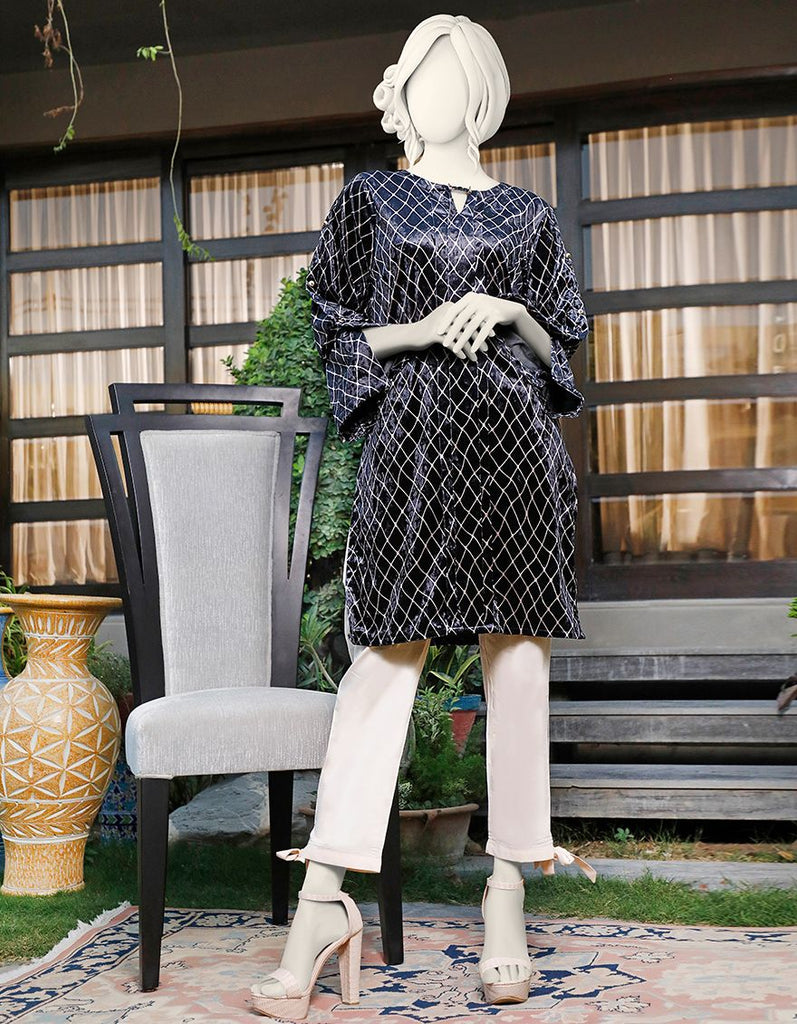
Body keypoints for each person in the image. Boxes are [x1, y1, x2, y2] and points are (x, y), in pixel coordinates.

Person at [250, 12, 597, 1019]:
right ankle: (322, 901)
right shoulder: (371, 199)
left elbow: (561, 341)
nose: (436, 91)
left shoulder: (528, 214)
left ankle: (506, 892)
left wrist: (511, 313)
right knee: (382, 663)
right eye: (421, 75)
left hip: (515, 451)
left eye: (455, 74)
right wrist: (422, 327)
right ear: (400, 91)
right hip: (412, 446)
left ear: (482, 91)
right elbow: (334, 326)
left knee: (517, 660)